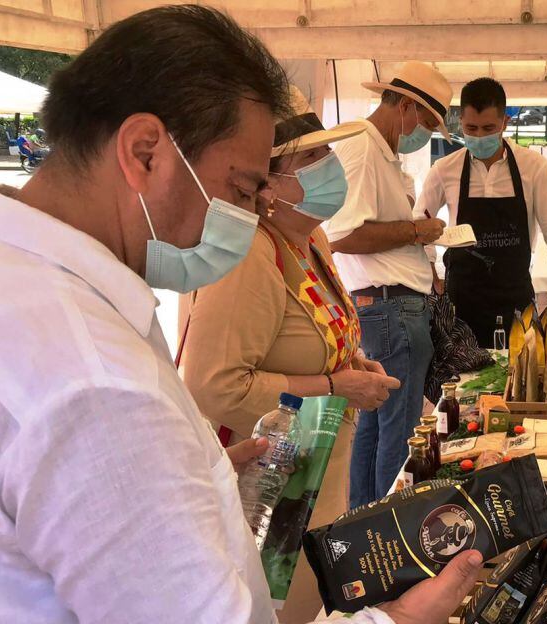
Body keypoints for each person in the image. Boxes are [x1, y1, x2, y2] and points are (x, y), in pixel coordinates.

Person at [0, 6, 481, 623]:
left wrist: (193, 477)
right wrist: (401, 620)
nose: (252, 214)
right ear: (145, 152)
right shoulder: (98, 387)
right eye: (241, 188)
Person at [178, 87, 401, 622]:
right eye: (311, 157)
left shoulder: (311, 239)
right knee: (281, 609)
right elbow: (213, 386)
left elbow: (317, 340)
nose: (331, 166)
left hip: (319, 473)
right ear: (269, 181)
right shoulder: (250, 255)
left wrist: (351, 366)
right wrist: (334, 388)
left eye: (328, 153)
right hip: (275, 490)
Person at [325, 61, 451, 507]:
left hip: (387, 306)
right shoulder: (363, 148)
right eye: (428, 123)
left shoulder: (378, 150)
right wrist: (416, 232)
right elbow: (346, 235)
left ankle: (364, 519)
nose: (426, 135)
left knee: (377, 424)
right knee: (398, 432)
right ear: (406, 106)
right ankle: (386, 530)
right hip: (391, 309)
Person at [416, 77, 547, 345]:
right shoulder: (444, 169)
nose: (479, 136)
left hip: (515, 300)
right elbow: (418, 224)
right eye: (471, 128)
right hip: (461, 304)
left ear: (505, 122)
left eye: (488, 128)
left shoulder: (533, 167)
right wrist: (432, 274)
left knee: (517, 381)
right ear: (460, 124)